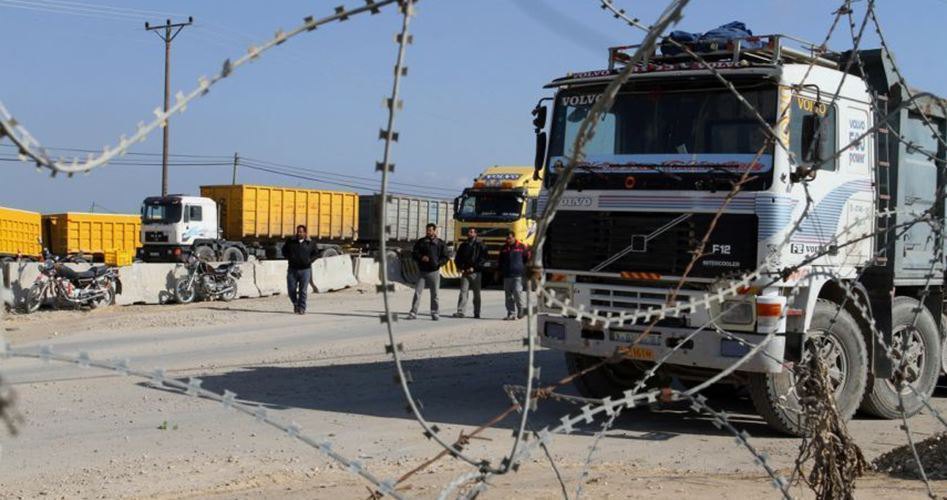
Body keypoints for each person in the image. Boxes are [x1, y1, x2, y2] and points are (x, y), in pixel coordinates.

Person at [407, 223, 448, 320]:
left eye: (430, 230)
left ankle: (435, 312)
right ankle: (413, 312)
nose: (428, 232)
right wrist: (421, 257)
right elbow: (414, 254)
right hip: (422, 272)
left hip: (434, 272)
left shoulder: (440, 243)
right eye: (427, 230)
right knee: (417, 292)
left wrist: (438, 263)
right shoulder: (421, 242)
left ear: (434, 231)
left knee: (435, 294)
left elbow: (446, 257)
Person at [282, 224, 319, 315]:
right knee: (291, 289)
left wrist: (309, 261)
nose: (299, 233)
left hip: (305, 270)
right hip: (292, 269)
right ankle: (295, 303)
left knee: (303, 290)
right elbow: (284, 250)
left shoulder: (311, 243)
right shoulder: (290, 242)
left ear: (305, 233)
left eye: (301, 232)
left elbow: (316, 254)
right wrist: (290, 257)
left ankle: (302, 308)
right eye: (298, 231)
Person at [452, 227, 487, 319]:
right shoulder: (464, 245)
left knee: (476, 294)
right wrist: (459, 267)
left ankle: (477, 312)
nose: (470, 233)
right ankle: (460, 312)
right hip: (465, 272)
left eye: (472, 232)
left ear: (476, 234)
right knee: (463, 292)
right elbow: (458, 258)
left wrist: (474, 268)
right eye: (469, 232)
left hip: (476, 273)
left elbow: (483, 259)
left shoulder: (481, 245)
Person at [498, 231, 530, 320]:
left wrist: (523, 268)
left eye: (510, 238)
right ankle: (511, 313)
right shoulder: (504, 248)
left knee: (517, 293)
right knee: (508, 296)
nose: (508, 240)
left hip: (518, 274)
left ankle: (521, 311)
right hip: (507, 275)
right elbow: (500, 261)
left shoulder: (521, 246)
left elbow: (527, 258)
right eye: (507, 238)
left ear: (514, 237)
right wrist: (500, 271)